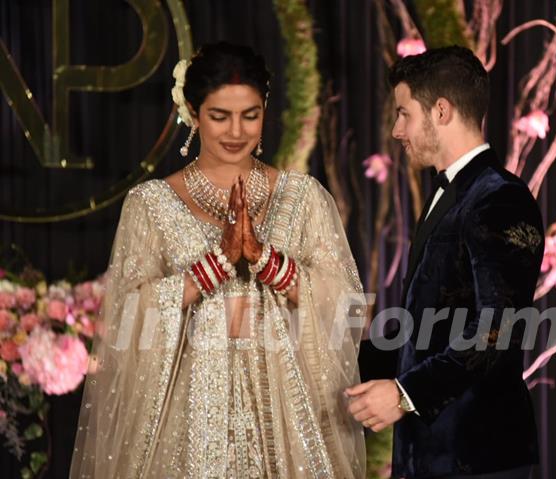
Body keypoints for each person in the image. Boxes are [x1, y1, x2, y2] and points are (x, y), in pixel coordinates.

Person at [70, 42, 365, 478]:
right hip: (184, 426)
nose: (236, 131)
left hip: (288, 424)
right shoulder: (151, 204)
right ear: (192, 111)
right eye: (219, 116)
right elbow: (127, 317)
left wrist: (267, 262)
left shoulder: (304, 198)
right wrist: (214, 266)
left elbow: (345, 304)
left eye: (250, 114)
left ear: (265, 110)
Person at [346, 46, 544, 478]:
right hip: (431, 456)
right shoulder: (448, 194)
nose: (397, 130)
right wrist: (336, 360)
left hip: (480, 457)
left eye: (404, 114)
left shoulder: (499, 197)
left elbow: (498, 329)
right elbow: (429, 329)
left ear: (441, 110)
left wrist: (401, 394)